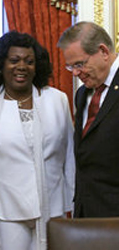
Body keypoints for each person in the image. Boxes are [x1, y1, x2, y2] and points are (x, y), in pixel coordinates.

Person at [0, 31, 75, 250]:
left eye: (29, 61)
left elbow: (70, 157)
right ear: (1, 64)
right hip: (5, 213)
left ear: (37, 67)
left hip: (52, 209)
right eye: (14, 60)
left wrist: (70, 205)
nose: (22, 66)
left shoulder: (57, 100)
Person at [58, 21, 119, 218]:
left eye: (79, 64)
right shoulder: (82, 94)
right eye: (71, 66)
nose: (75, 72)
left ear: (103, 51)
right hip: (86, 216)